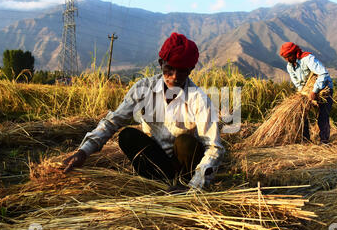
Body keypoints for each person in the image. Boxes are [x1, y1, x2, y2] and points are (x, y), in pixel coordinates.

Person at [62, 32, 225, 191]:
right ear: (161, 63)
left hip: (185, 163)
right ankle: (159, 184)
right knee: (127, 135)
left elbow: (214, 147)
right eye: (169, 69)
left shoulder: (199, 99)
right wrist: (83, 151)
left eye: (181, 71)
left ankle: (182, 185)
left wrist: (194, 186)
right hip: (156, 160)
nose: (174, 77)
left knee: (184, 142)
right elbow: (113, 121)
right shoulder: (143, 88)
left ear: (191, 69)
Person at [279, 42, 334, 144]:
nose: (287, 60)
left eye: (288, 56)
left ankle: (324, 141)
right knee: (301, 114)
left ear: (294, 53)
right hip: (307, 92)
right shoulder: (290, 66)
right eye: (285, 58)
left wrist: (315, 91)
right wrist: (304, 94)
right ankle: (306, 140)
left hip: (324, 89)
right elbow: (298, 83)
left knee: (323, 116)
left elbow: (323, 74)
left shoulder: (308, 59)